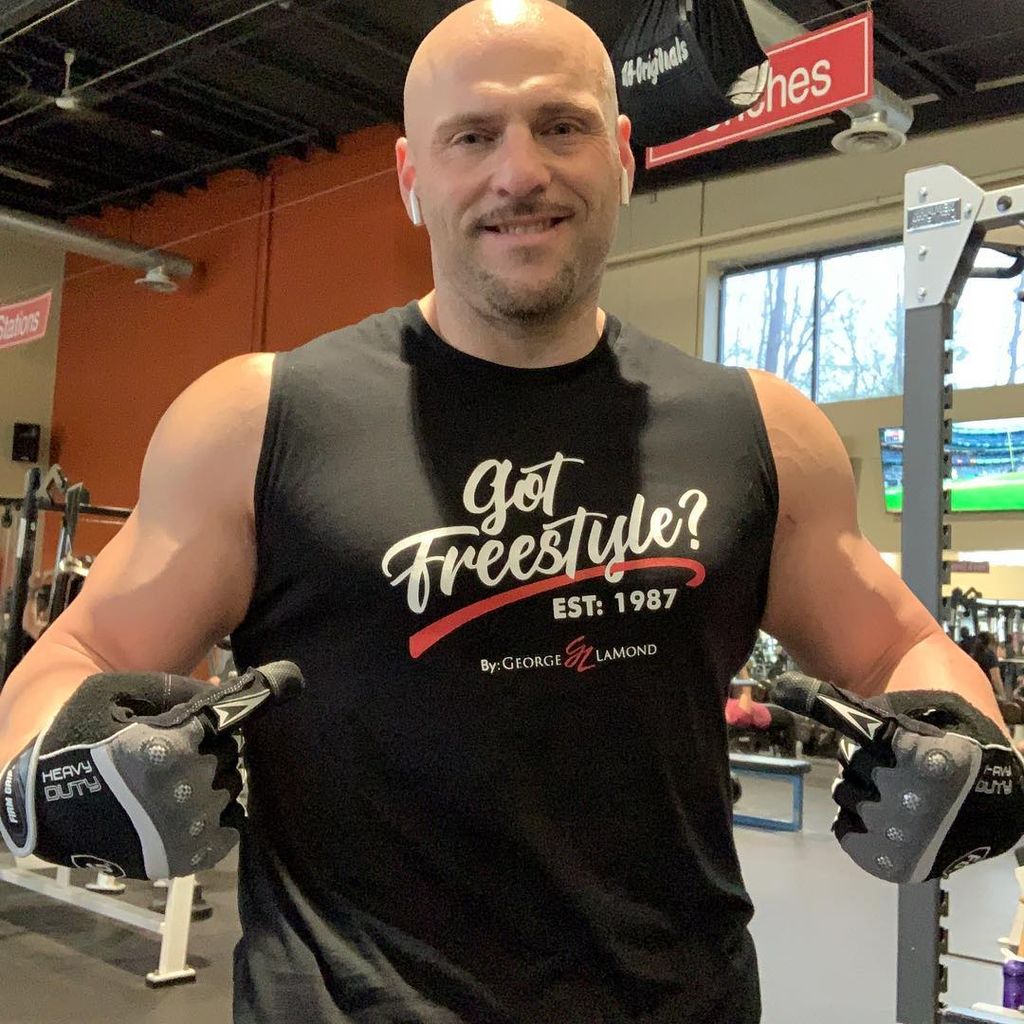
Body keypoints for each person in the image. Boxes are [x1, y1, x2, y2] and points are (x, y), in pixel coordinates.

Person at [1, 2, 1022, 1022]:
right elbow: (76, 653)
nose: (520, 172)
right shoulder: (259, 420)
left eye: (562, 126)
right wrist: (57, 758)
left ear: (621, 156)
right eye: (473, 136)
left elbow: (900, 649)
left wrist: (960, 735)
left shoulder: (760, 430)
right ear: (411, 178)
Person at [973, 630, 1006, 699]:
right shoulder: (990, 656)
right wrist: (1003, 696)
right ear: (991, 643)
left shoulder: (974, 655)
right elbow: (995, 679)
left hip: (975, 691)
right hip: (988, 693)